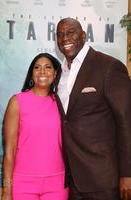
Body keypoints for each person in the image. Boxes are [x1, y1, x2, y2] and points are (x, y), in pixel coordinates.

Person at [56, 17, 131, 200]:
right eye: (59, 35)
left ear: (83, 35)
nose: (64, 38)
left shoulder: (108, 66)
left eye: (70, 32)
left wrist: (127, 174)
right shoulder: (60, 73)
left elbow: (126, 121)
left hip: (104, 179)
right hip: (73, 179)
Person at [2, 53, 69, 200]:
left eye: (48, 67)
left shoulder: (61, 104)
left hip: (57, 184)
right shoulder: (17, 102)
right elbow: (9, 150)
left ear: (55, 73)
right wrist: (7, 190)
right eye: (37, 67)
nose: (42, 71)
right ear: (31, 74)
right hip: (23, 184)